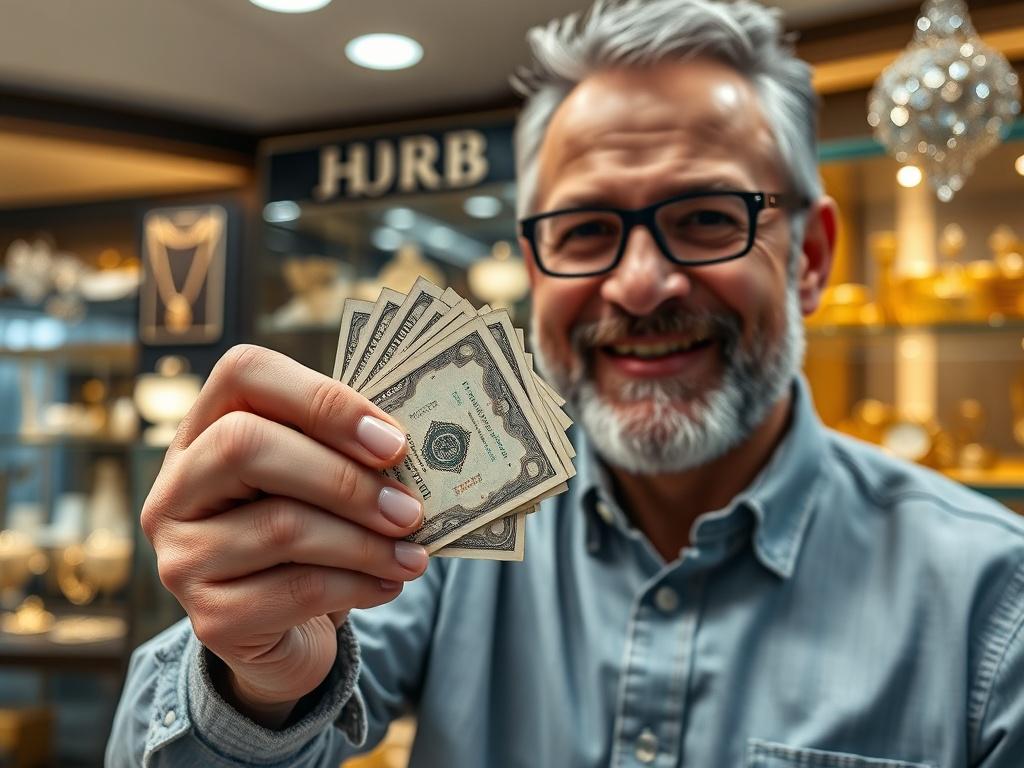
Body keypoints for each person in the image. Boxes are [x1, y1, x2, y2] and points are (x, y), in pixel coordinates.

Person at [108, 1, 1024, 765]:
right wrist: (258, 676)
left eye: (706, 218)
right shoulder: (435, 532)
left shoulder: (994, 602)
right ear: (534, 269)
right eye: (585, 232)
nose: (638, 285)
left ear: (812, 258)